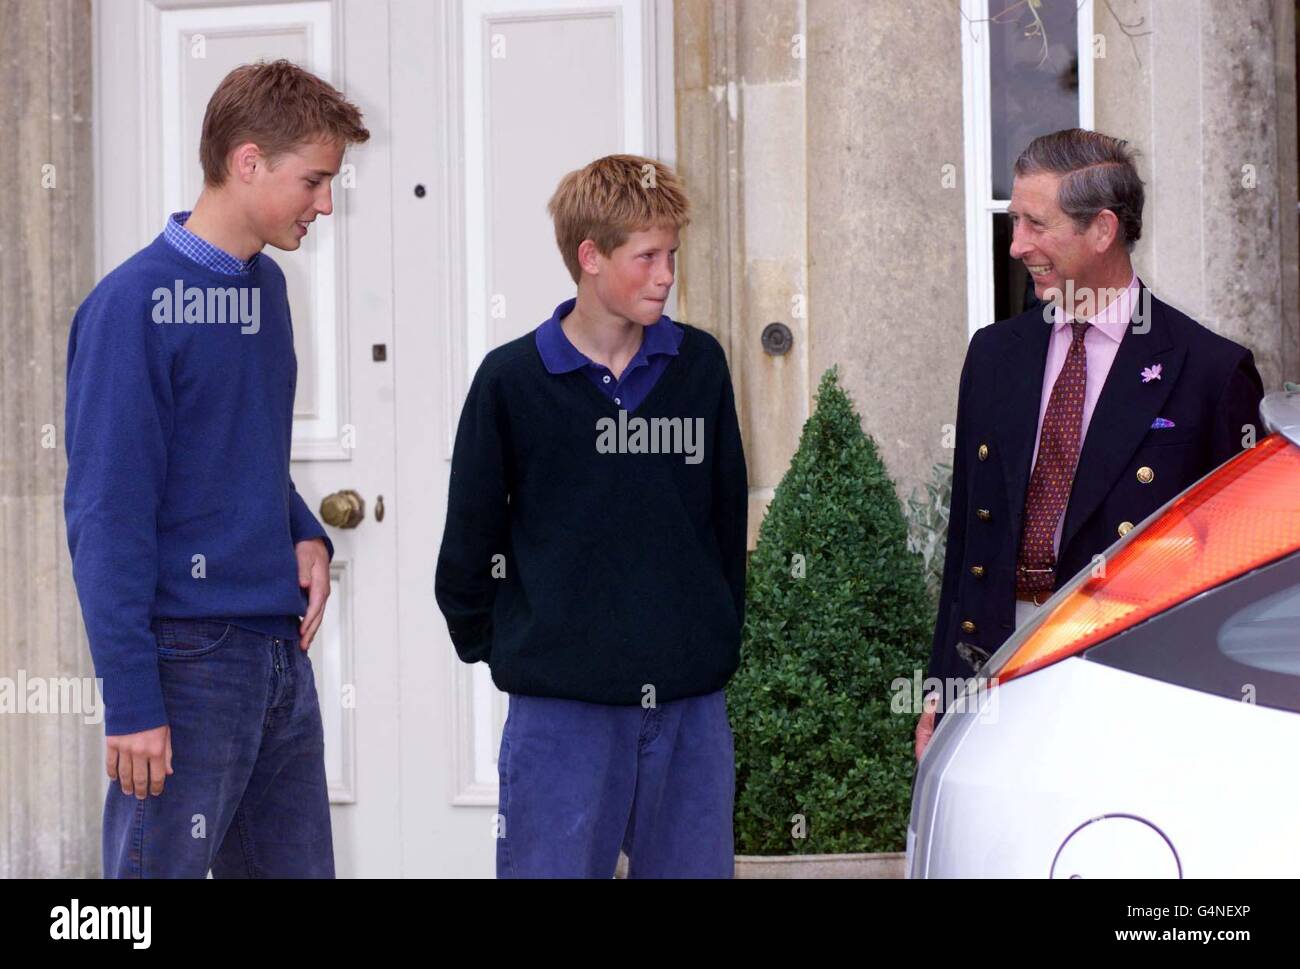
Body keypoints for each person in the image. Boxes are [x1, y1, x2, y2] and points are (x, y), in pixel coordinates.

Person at [64, 59, 369, 876]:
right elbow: (105, 516)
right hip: (185, 662)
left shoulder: (266, 289)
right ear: (247, 162)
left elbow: (246, 448)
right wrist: (131, 698)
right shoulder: (131, 307)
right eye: (314, 180)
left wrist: (304, 531)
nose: (326, 202)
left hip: (276, 659)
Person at [435, 154, 748, 877]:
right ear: (590, 257)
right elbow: (469, 542)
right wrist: (523, 647)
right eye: (646, 257)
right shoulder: (511, 380)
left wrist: (709, 636)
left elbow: (725, 522)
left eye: (672, 254)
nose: (666, 274)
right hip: (560, 712)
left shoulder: (700, 365)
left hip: (689, 707)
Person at [916, 128, 1263, 758]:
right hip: (992, 669)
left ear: (1102, 230)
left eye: (1035, 224)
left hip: (1132, 686)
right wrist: (942, 688)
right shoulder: (994, 355)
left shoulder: (1210, 373)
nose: (1017, 245)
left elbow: (1238, 578)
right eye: (1014, 220)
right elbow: (967, 538)